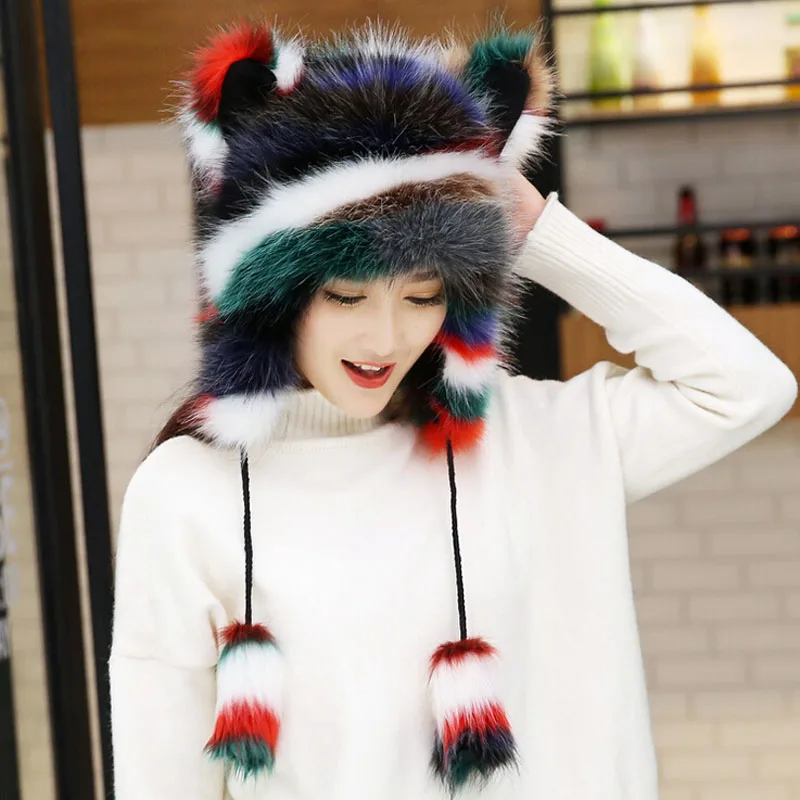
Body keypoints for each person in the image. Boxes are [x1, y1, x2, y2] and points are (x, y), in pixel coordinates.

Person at [108, 18, 797, 800]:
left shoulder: (539, 438)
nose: (386, 337)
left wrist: (530, 227)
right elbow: (163, 777)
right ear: (272, 292)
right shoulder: (187, 495)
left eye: (423, 295)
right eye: (346, 296)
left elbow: (746, 385)